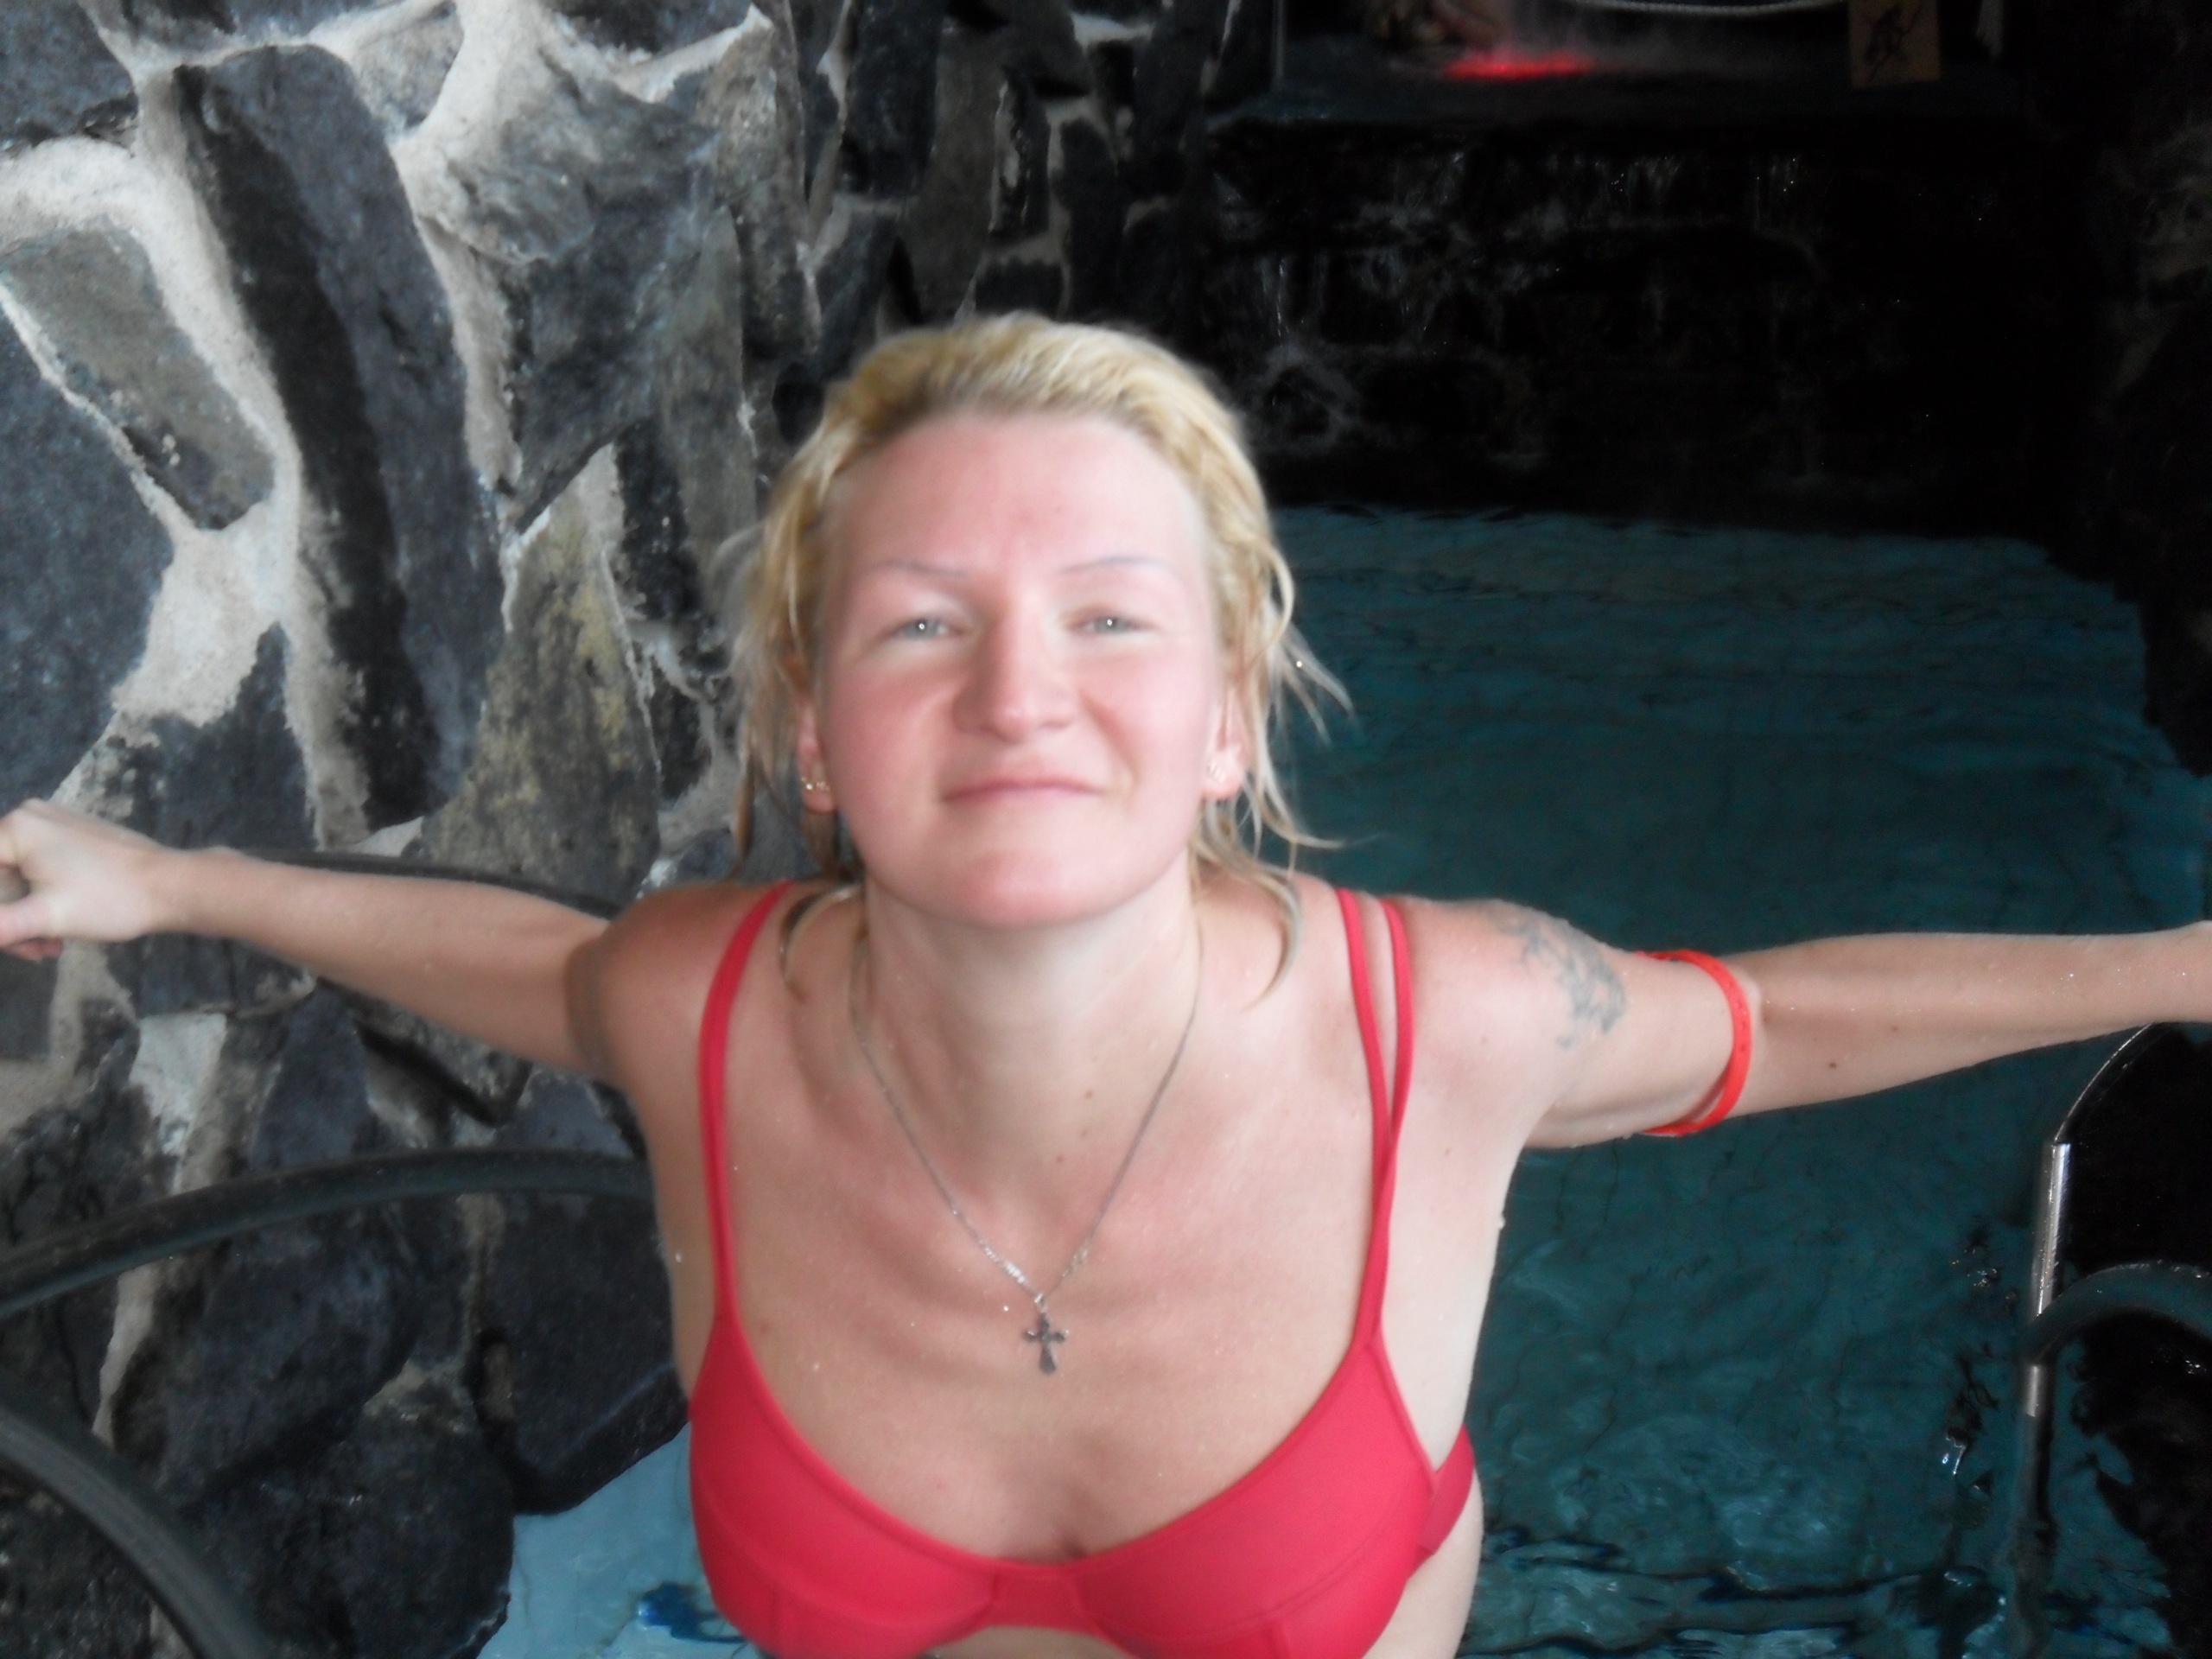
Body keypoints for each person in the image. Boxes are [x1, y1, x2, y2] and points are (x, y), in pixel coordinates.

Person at [2, 316, 2206, 1659]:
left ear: (1230, 714)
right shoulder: (698, 1014)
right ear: (811, 731)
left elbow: (1773, 1020)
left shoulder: (1438, 1028)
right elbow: (547, 973)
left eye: (1112, 617)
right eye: (921, 622)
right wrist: (169, 876)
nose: (1017, 694)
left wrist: (2181, 963)